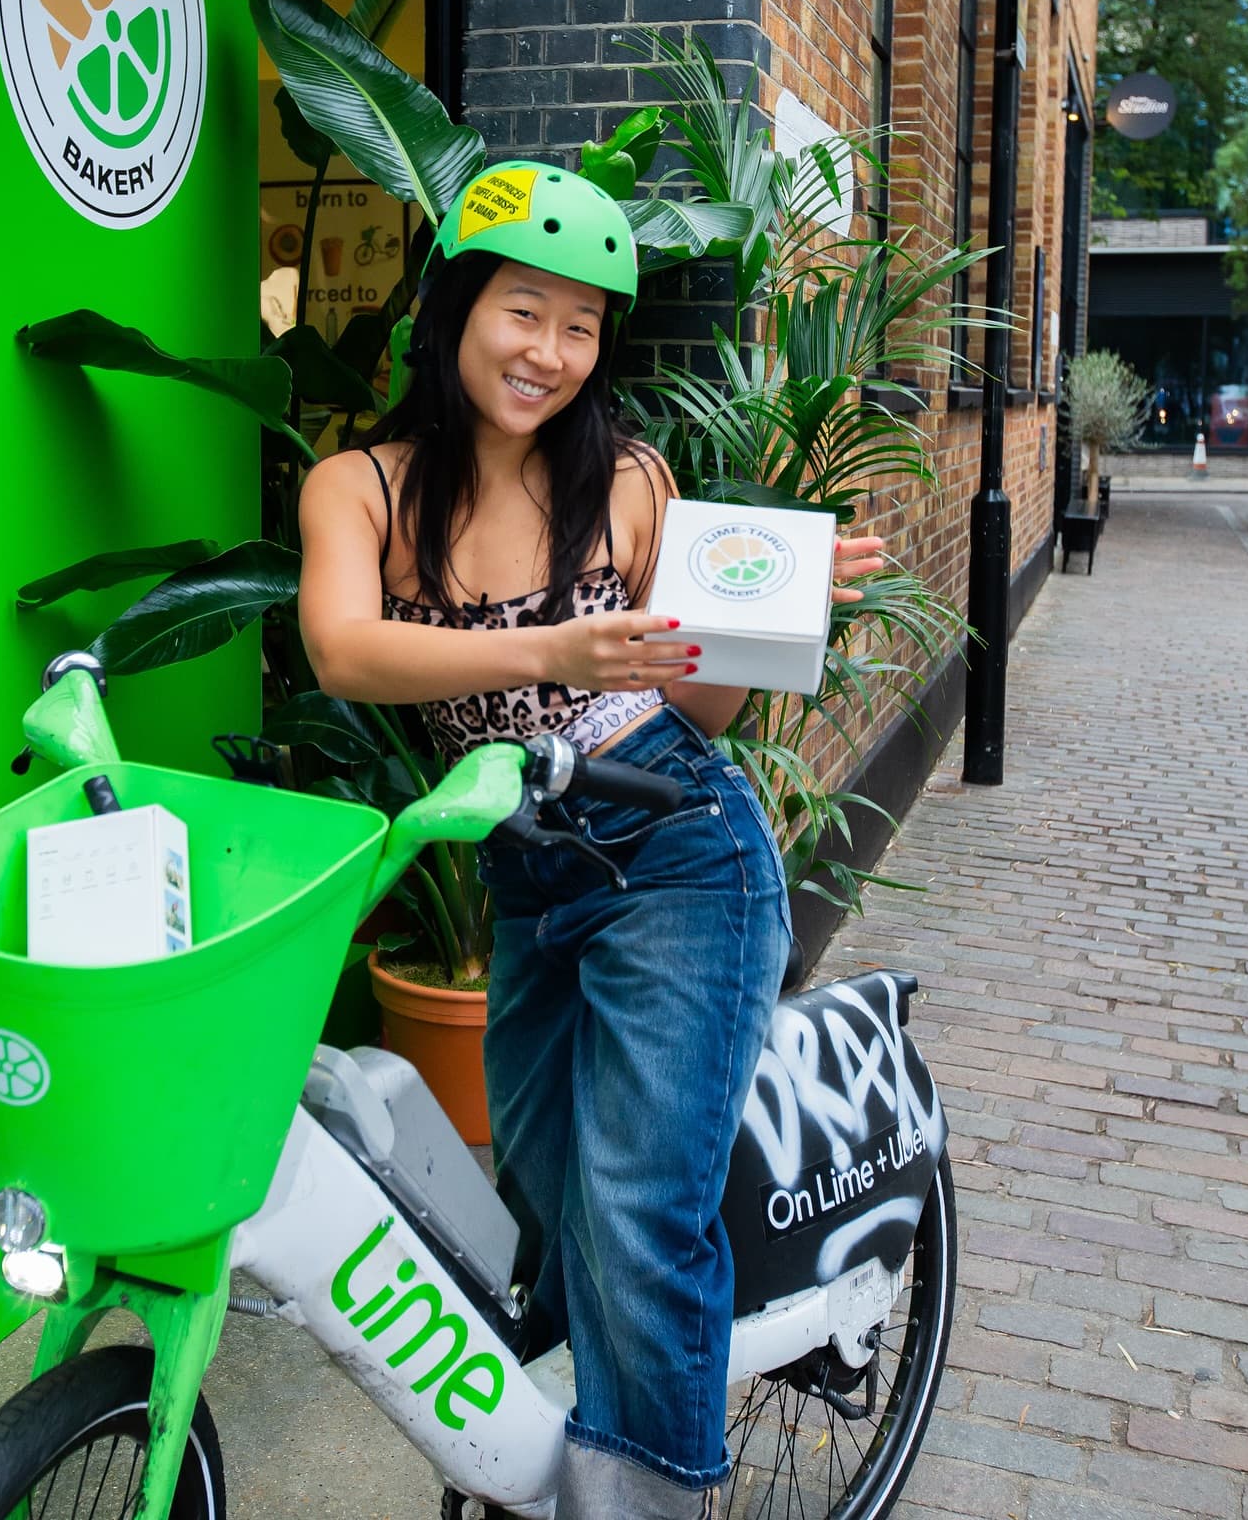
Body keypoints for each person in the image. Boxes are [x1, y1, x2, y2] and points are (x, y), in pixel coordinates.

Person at [298, 160, 885, 1518]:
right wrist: (561, 643)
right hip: (529, 875)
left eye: (581, 327)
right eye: (525, 311)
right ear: (456, 307)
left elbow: (709, 706)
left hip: (683, 856)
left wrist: (773, 611)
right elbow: (340, 648)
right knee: (556, 1207)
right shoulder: (360, 489)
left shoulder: (626, 477)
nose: (550, 354)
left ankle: (650, 1495)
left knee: (633, 1212)